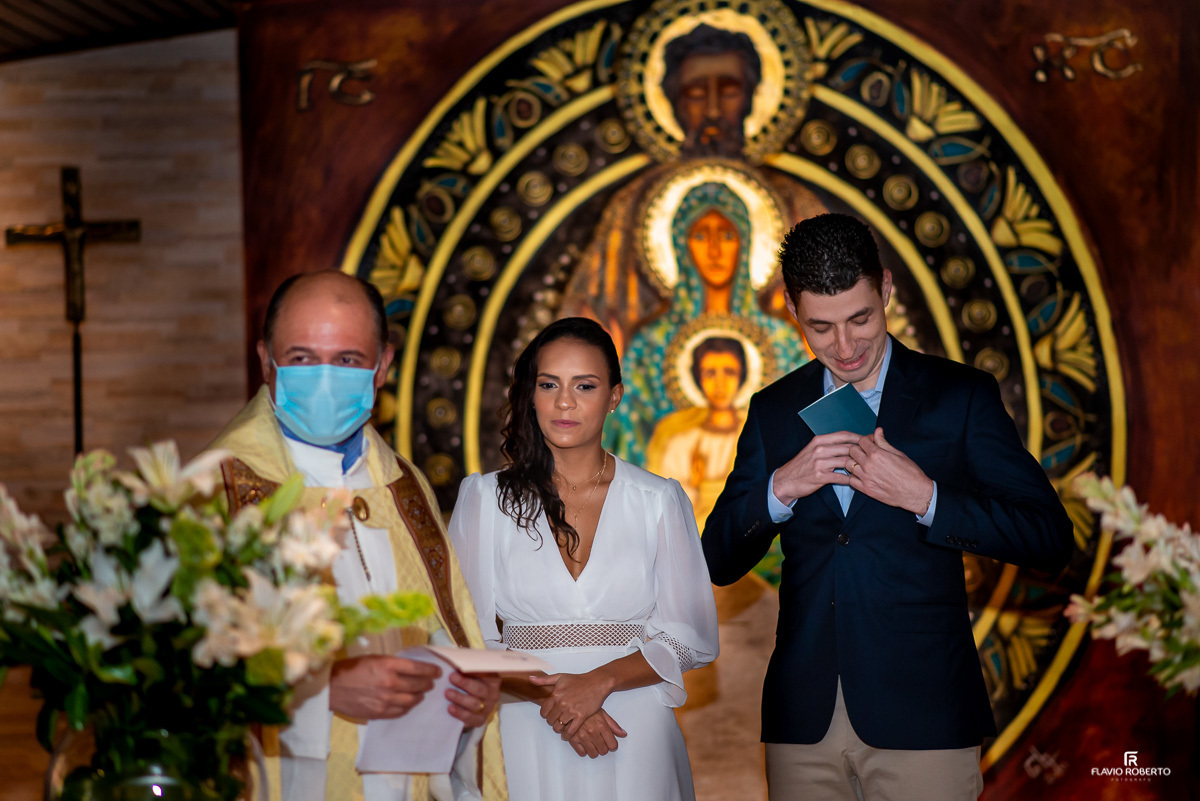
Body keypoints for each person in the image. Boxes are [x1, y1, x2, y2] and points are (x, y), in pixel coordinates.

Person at [702, 214, 1074, 801]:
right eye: (820, 327)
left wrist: (925, 498)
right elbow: (716, 559)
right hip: (803, 721)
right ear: (791, 311)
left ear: (887, 290)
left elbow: (1051, 538)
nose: (845, 347)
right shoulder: (773, 409)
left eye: (861, 318)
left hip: (924, 714)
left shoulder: (960, 396)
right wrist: (781, 487)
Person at [209, 271, 507, 801]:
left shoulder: (403, 486)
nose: (324, 378)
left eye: (347, 360)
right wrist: (318, 692)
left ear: (382, 367)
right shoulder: (214, 491)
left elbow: (446, 635)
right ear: (265, 361)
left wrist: (470, 703)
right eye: (301, 358)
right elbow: (178, 676)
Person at [448, 317, 719, 801]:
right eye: (549, 384)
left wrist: (599, 682)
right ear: (530, 394)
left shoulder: (658, 499)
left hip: (632, 726)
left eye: (585, 386)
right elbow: (465, 634)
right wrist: (556, 699)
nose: (565, 402)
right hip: (522, 721)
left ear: (614, 396)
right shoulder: (484, 498)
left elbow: (690, 637)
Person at [646, 336, 749, 528]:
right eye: (710, 373)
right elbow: (664, 508)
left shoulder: (754, 433)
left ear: (742, 375)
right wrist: (694, 487)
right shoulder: (681, 441)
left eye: (729, 372)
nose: (720, 383)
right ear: (698, 378)